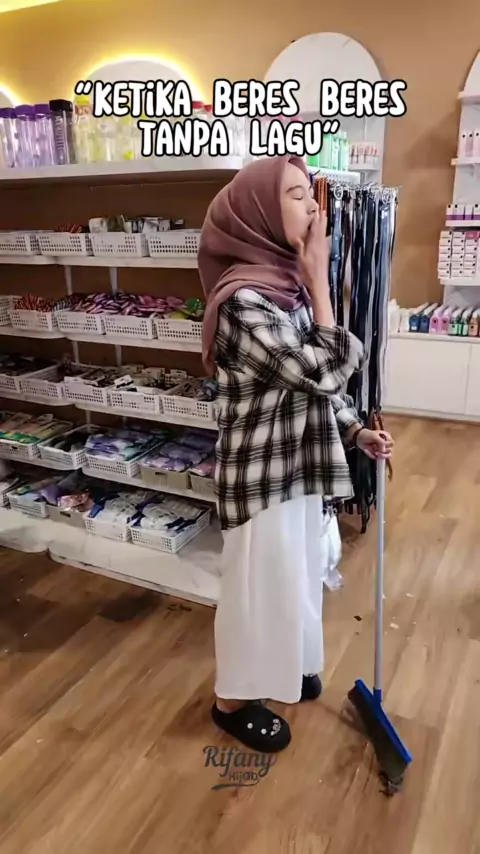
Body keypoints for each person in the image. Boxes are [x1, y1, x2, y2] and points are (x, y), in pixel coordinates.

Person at [198, 155, 393, 753]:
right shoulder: (243, 303)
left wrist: (354, 431)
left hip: (301, 467)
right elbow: (318, 370)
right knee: (256, 591)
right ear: (256, 212)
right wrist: (321, 284)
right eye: (294, 195)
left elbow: (317, 392)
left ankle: (290, 666)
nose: (312, 206)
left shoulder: (285, 289)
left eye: (311, 193)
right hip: (261, 477)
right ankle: (232, 701)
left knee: (297, 578)